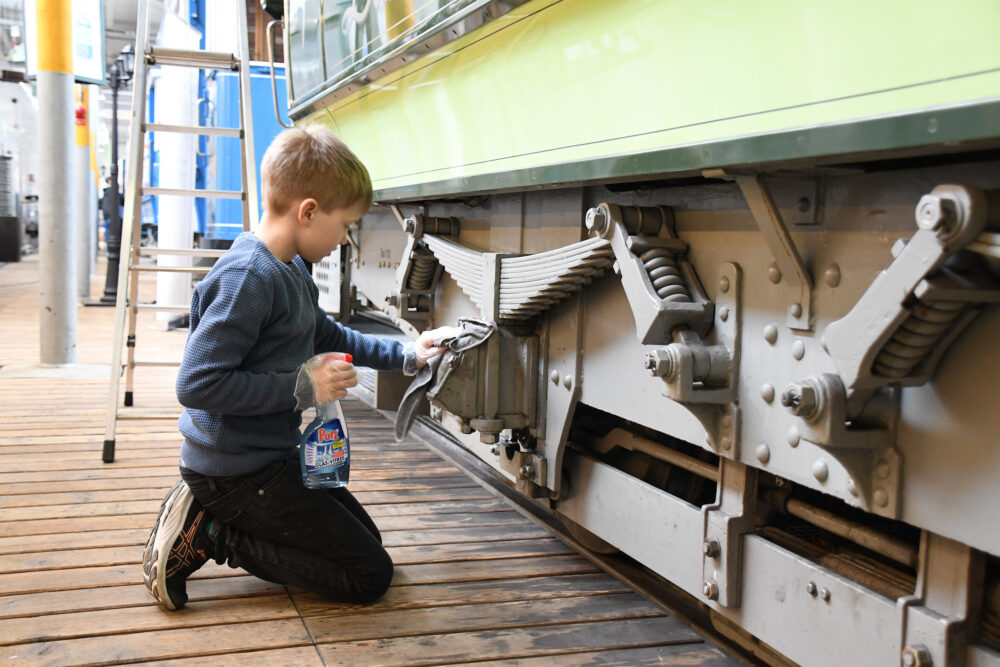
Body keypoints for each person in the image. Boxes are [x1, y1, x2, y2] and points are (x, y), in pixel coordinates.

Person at [141, 125, 455, 611]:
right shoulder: (250, 277)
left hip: (268, 457)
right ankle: (213, 533)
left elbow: (327, 337)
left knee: (367, 539)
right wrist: (302, 387)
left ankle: (222, 519)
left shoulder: (290, 268)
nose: (347, 239)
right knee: (366, 575)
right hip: (235, 472)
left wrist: (409, 353)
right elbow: (198, 383)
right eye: (345, 224)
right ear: (307, 212)